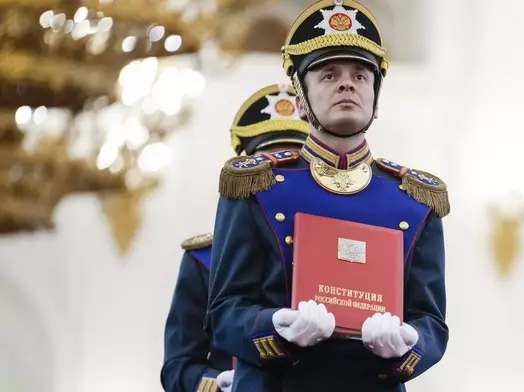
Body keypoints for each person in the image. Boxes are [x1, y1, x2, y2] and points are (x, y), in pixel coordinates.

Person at [206, 0, 451, 391]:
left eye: (360, 74)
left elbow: (431, 321)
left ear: (376, 97)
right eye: (328, 74)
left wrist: (407, 342)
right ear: (301, 102)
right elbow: (223, 313)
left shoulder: (414, 201)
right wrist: (275, 326)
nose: (347, 83)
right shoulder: (257, 186)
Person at [161, 84, 311, 392]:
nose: (282, 177)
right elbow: (178, 366)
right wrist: (216, 385)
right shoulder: (204, 260)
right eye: (270, 166)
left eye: (294, 165)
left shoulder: (334, 250)